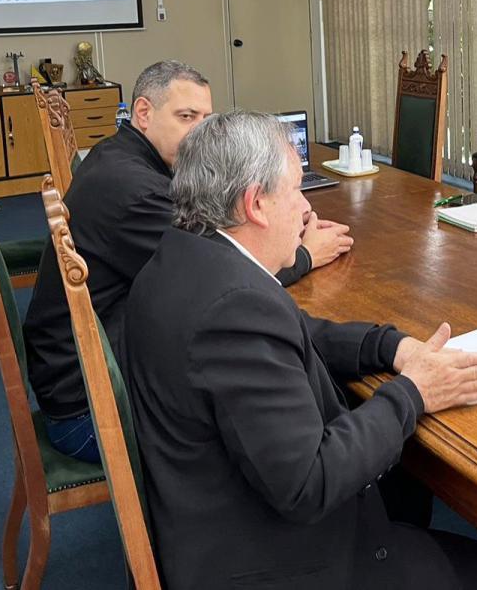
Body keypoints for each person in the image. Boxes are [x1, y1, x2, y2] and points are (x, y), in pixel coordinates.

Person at [124, 111, 477, 590]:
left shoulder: (187, 258)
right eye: (295, 191)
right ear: (255, 204)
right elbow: (310, 482)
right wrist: (414, 392)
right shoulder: (232, 312)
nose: (306, 208)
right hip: (269, 561)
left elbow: (302, 333)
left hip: (209, 506)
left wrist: (391, 348)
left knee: (406, 487)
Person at [23, 61, 354, 463]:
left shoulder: (120, 156)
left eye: (205, 119)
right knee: (261, 386)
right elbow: (223, 272)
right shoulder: (135, 191)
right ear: (143, 113)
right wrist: (303, 255)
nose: (199, 131)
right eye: (186, 117)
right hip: (90, 411)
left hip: (81, 374)